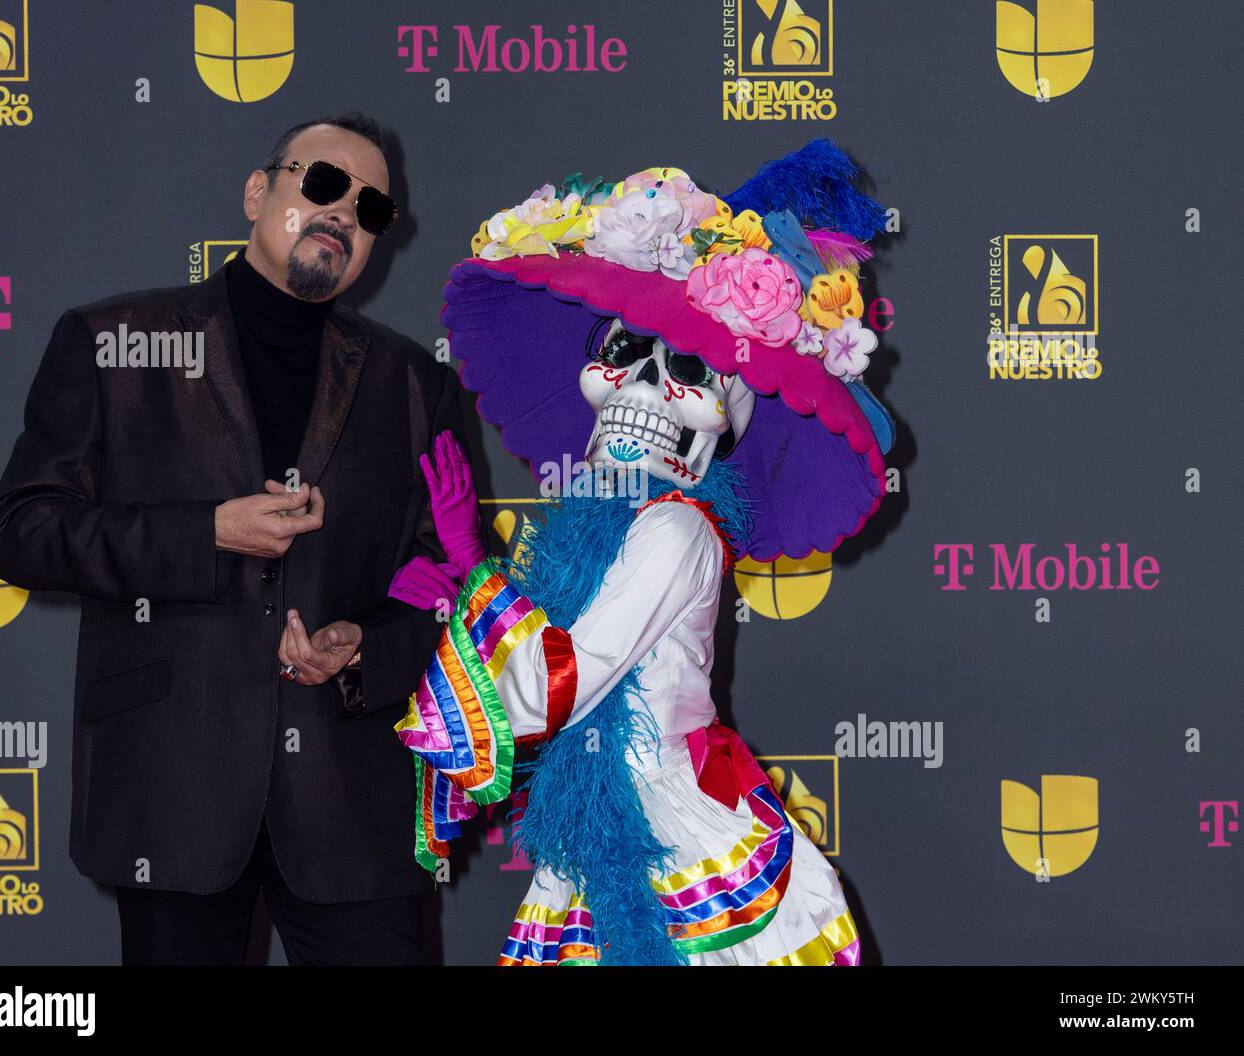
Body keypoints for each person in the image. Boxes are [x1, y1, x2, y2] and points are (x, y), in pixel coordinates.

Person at [343, 140, 898, 963]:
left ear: (721, 427)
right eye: (619, 356)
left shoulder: (673, 532)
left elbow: (550, 687)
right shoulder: (614, 520)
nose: (637, 387)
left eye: (685, 373)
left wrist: (470, 577)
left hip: (672, 842)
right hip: (605, 833)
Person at [0, 111, 464, 965]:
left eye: (371, 208)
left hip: (353, 800)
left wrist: (366, 651)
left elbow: (445, 571)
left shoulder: (412, 382)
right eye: (321, 183)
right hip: (171, 789)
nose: (344, 212)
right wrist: (205, 535)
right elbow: (23, 533)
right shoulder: (112, 344)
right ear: (257, 192)